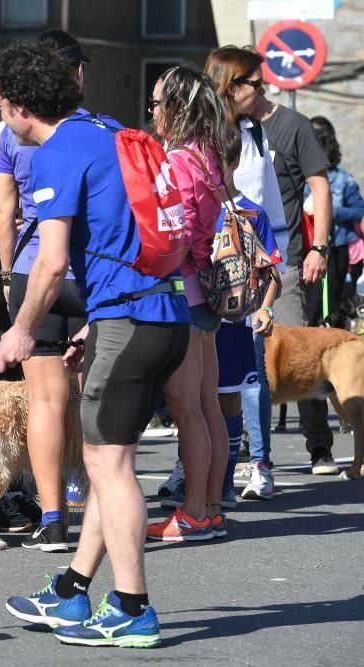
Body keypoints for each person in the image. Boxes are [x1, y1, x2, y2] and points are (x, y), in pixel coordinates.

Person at [0, 43, 189, 647]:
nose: (0, 114)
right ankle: (77, 590)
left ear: (20, 106)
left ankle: (133, 606)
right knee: (112, 464)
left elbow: (51, 266)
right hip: (159, 313)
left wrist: (22, 329)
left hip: (130, 319)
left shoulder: (56, 153)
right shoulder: (114, 130)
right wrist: (93, 327)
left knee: (110, 465)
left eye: (0, 105)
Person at [0, 30, 94, 551]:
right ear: (75, 75)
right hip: (94, 276)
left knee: (45, 401)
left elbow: (3, 208)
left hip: (35, 271)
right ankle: (100, 504)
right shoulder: (104, 130)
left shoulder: (14, 133)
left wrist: (11, 275)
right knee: (96, 395)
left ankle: (52, 518)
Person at [145, 66, 232, 542]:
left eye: (156, 103)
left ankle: (195, 512)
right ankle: (211, 508)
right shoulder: (209, 154)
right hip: (208, 294)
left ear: (176, 108)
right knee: (208, 407)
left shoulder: (177, 160)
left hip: (183, 292)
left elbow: (175, 234)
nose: (152, 111)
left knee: (188, 409)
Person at [243, 54, 334, 474]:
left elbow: (319, 183)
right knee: (244, 358)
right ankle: (244, 447)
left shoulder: (292, 126)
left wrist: (320, 246)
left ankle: (319, 447)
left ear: (254, 87)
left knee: (300, 354)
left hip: (288, 259)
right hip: (237, 263)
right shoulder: (232, 130)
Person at [205, 45, 289, 498]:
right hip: (202, 302)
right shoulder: (191, 137)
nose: (262, 90)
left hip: (243, 303)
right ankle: (197, 470)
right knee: (197, 394)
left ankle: (251, 465)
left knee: (241, 385)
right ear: (229, 83)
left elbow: (272, 233)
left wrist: (268, 301)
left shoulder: (255, 137)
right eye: (255, 82)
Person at [211, 130, 282, 516]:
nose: (210, 168)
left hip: (235, 325)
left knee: (228, 399)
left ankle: (223, 482)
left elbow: (273, 274)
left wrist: (265, 309)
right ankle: (192, 473)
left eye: (217, 160)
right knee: (192, 401)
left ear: (234, 162)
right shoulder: (196, 209)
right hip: (198, 320)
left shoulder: (251, 212)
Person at [307, 117, 364, 330]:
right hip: (309, 250)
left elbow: (359, 211)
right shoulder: (302, 177)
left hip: (336, 250)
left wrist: (330, 211)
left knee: (332, 306)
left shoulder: (343, 180)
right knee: (310, 308)